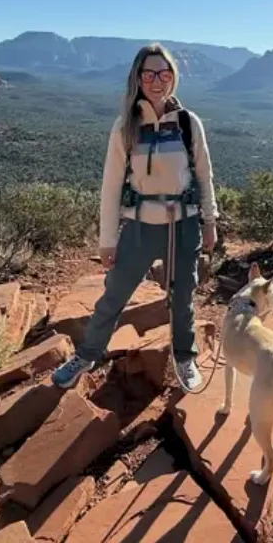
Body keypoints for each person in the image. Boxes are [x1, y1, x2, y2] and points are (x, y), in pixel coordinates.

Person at [52, 42, 219, 391]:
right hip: (139, 226)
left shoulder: (189, 124)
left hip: (183, 225)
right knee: (114, 294)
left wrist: (210, 221)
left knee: (183, 296)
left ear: (173, 76)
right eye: (149, 74)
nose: (157, 80)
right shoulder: (126, 126)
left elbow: (204, 175)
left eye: (164, 72)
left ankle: (184, 357)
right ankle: (86, 354)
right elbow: (111, 186)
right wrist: (107, 240)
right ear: (138, 79)